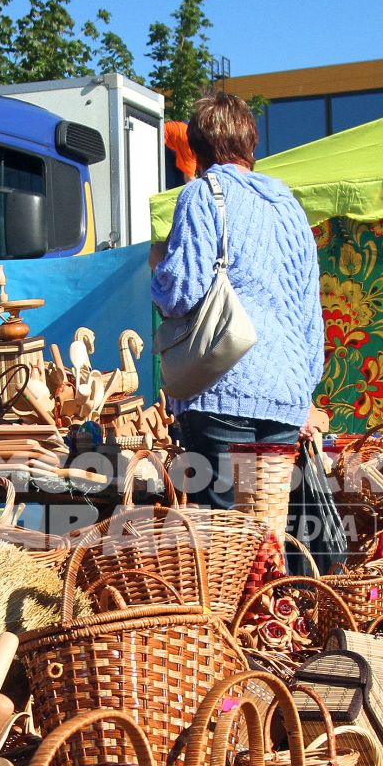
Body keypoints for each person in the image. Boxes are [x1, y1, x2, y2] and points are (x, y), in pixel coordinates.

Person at [150, 90, 322, 511]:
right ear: (250, 143)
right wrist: (301, 390)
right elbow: (309, 311)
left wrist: (156, 267)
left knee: (225, 538)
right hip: (285, 394)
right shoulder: (290, 208)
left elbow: (180, 292)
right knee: (267, 532)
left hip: (222, 386)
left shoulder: (202, 195)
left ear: (198, 145)